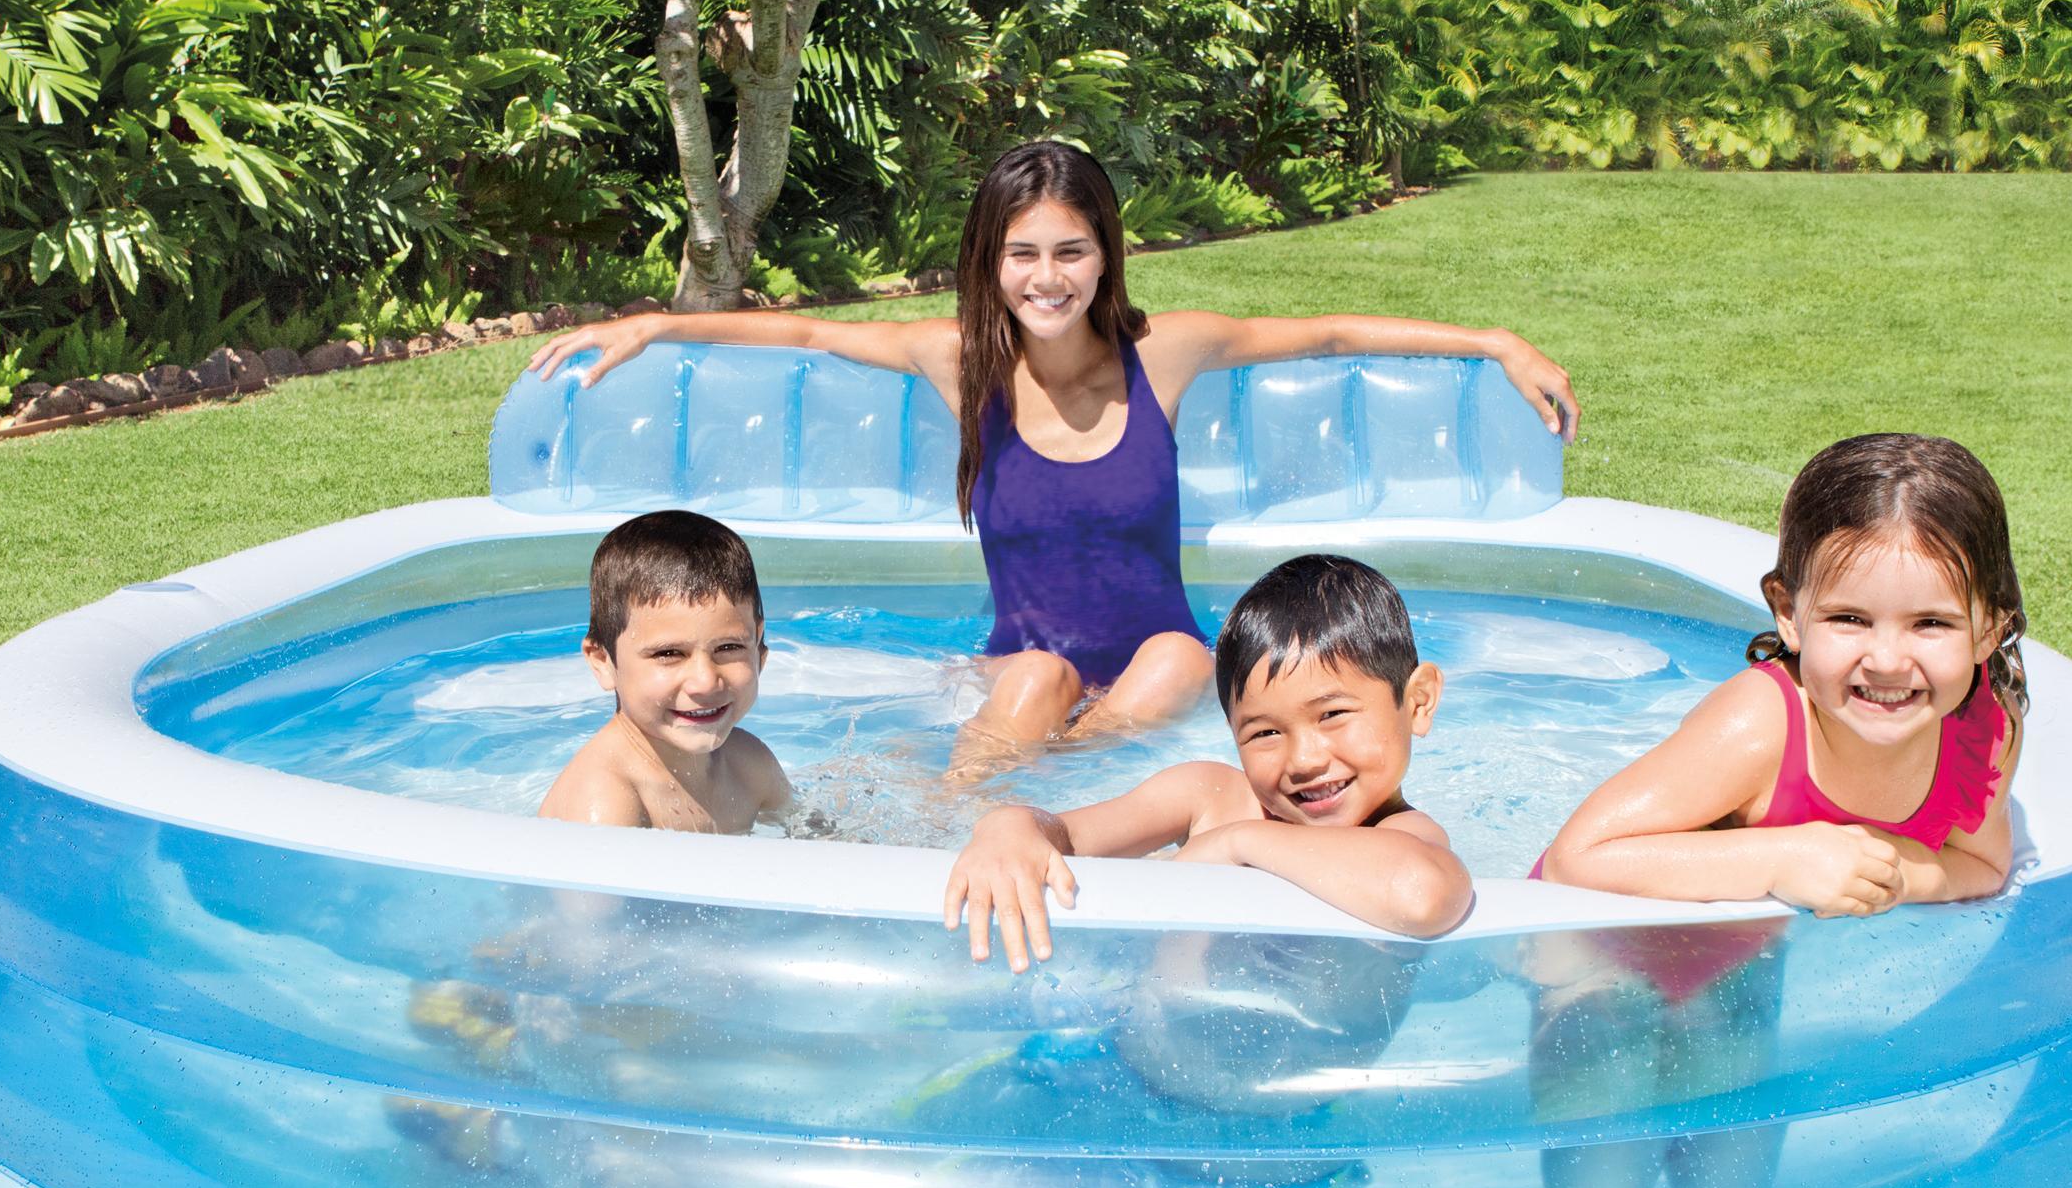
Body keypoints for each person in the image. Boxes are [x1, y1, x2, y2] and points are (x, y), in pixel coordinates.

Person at [522, 140, 1579, 772]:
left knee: (1180, 653)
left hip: (1153, 681)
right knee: (1035, 674)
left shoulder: (1165, 355)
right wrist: (656, 326)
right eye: (1022, 253)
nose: (1047, 275)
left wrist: (1491, 341)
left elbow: (1330, 335)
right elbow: (806, 334)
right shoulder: (961, 364)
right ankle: (950, 811)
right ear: (992, 261)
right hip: (1021, 674)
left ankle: (1048, 779)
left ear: (1106, 253)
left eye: (1071, 249)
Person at [1532, 433, 2027, 915]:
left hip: (1748, 955)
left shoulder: (1985, 728)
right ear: (1789, 613)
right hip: (1597, 940)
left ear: (1988, 630)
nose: (1887, 661)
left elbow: (1980, 864)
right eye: (1849, 619)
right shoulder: (1761, 724)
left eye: (1931, 623)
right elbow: (1573, 862)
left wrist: (1890, 875)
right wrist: (1784, 858)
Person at [942, 552, 1474, 969]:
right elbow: (1063, 835)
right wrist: (1007, 828)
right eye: (1265, 732)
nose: (1305, 759)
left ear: (1418, 701)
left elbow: (1423, 896)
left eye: (1333, 714)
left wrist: (1236, 843)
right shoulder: (1208, 795)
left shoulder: (1404, 834)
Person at [536, 508, 792, 834]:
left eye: (728, 648)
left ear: (759, 650)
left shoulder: (750, 763)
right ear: (602, 661)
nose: (705, 682)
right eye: (669, 653)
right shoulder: (607, 805)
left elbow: (820, 843)